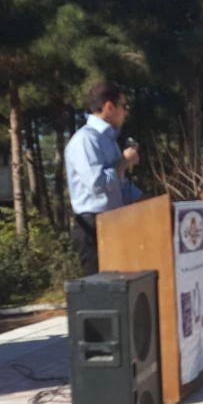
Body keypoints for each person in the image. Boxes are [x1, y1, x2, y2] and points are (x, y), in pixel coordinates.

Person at [64, 81, 143, 276]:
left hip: (114, 223)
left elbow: (119, 186)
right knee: (100, 292)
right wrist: (123, 162)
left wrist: (149, 200)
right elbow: (97, 185)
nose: (126, 112)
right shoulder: (85, 140)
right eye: (123, 106)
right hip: (93, 227)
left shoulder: (109, 141)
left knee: (120, 289)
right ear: (109, 107)